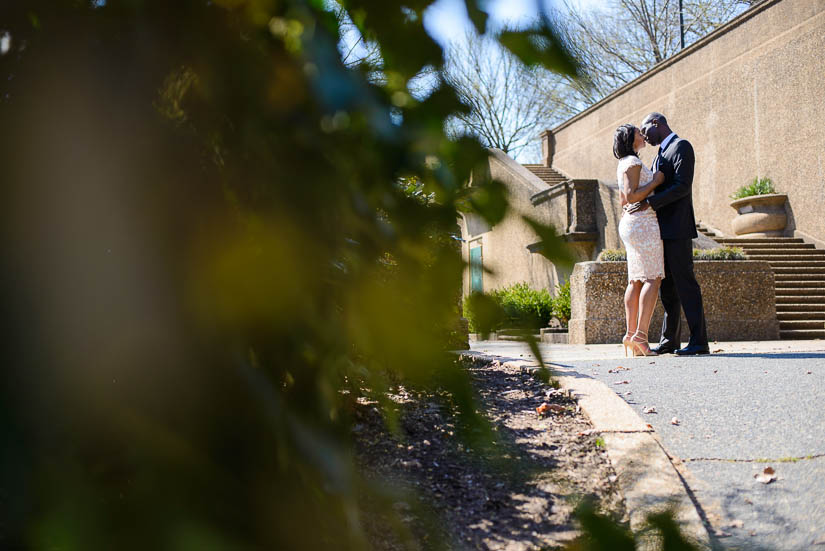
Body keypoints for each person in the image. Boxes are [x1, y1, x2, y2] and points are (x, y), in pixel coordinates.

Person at [626, 112, 710, 356]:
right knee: (668, 289)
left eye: (645, 130)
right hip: (660, 232)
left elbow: (683, 186)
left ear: (657, 124)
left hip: (678, 229)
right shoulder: (659, 154)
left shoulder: (681, 146)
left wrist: (650, 203)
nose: (643, 136)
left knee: (686, 285)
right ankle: (669, 340)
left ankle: (699, 341)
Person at [613, 124, 666, 356]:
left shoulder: (623, 163)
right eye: (637, 132)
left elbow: (623, 200)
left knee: (635, 279)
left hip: (632, 223)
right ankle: (641, 337)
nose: (642, 135)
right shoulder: (632, 163)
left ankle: (630, 334)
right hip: (643, 222)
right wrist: (655, 181)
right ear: (629, 138)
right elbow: (630, 196)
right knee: (653, 278)